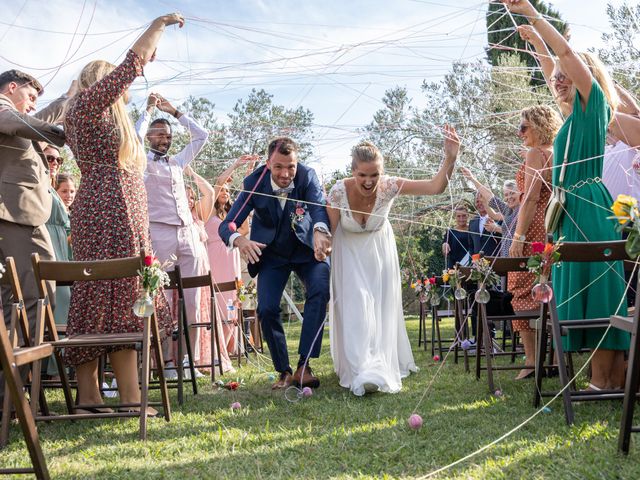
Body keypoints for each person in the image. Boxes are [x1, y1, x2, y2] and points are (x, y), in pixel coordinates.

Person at [503, 0, 629, 389]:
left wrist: (531, 13)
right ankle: (603, 376)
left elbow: (567, 56)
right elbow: (553, 66)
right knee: (578, 289)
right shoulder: (571, 116)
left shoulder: (594, 108)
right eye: (557, 77)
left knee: (600, 291)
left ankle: (609, 378)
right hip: (568, 210)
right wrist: (539, 45)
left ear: (585, 78)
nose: (557, 80)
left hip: (589, 207)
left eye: (566, 76)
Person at [63, 13, 184, 413]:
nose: (122, 97)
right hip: (109, 210)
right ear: (102, 83)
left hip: (105, 207)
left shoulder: (80, 113)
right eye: (117, 90)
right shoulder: (89, 103)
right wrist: (159, 25)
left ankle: (91, 396)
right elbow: (133, 64)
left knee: (100, 294)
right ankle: (130, 397)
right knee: (120, 293)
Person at [327, 126, 460, 395]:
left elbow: (435, 187)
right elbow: (329, 234)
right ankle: (361, 369)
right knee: (356, 309)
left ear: (381, 172)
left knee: (378, 310)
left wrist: (450, 157)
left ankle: (377, 363)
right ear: (352, 171)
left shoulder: (389, 186)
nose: (368, 181)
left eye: (374, 174)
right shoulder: (338, 191)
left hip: (379, 255)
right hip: (348, 257)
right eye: (362, 174)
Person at [218, 137, 332, 390]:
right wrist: (240, 240)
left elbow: (319, 209)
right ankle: (284, 371)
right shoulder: (253, 182)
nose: (286, 173)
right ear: (268, 163)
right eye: (279, 167)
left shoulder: (307, 176)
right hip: (270, 254)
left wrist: (320, 230)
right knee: (267, 309)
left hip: (306, 249)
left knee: (321, 290)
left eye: (290, 166)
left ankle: (304, 365)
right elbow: (227, 224)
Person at [0, 69, 69, 404]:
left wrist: (70, 97)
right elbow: (20, 122)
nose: (32, 105)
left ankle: (15, 390)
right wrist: (60, 134)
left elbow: (32, 118)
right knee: (35, 297)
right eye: (29, 96)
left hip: (19, 218)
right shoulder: (1, 108)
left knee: (22, 302)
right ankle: (9, 393)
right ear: (11, 88)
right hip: (16, 218)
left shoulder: (14, 114)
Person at [135, 92, 209, 379]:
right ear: (151, 137)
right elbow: (134, 136)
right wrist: (149, 110)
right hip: (160, 234)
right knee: (163, 299)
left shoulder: (178, 162)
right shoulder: (141, 161)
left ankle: (187, 361)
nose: (165, 139)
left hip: (188, 234)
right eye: (160, 135)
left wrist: (175, 112)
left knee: (191, 300)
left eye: (168, 135)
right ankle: (165, 363)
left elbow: (201, 136)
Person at [204, 156, 255, 357]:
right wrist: (235, 165)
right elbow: (217, 184)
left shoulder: (232, 215)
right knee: (218, 301)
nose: (224, 192)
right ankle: (215, 349)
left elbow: (244, 228)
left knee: (232, 302)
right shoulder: (208, 212)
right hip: (215, 262)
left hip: (231, 259)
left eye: (227, 190)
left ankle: (227, 348)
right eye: (222, 190)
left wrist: (249, 172)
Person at [44, 145, 73, 378]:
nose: (54, 163)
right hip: (47, 250)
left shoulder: (52, 190)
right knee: (58, 306)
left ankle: (59, 367)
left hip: (62, 251)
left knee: (62, 306)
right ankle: (54, 369)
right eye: (49, 158)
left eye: (58, 160)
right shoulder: (39, 185)